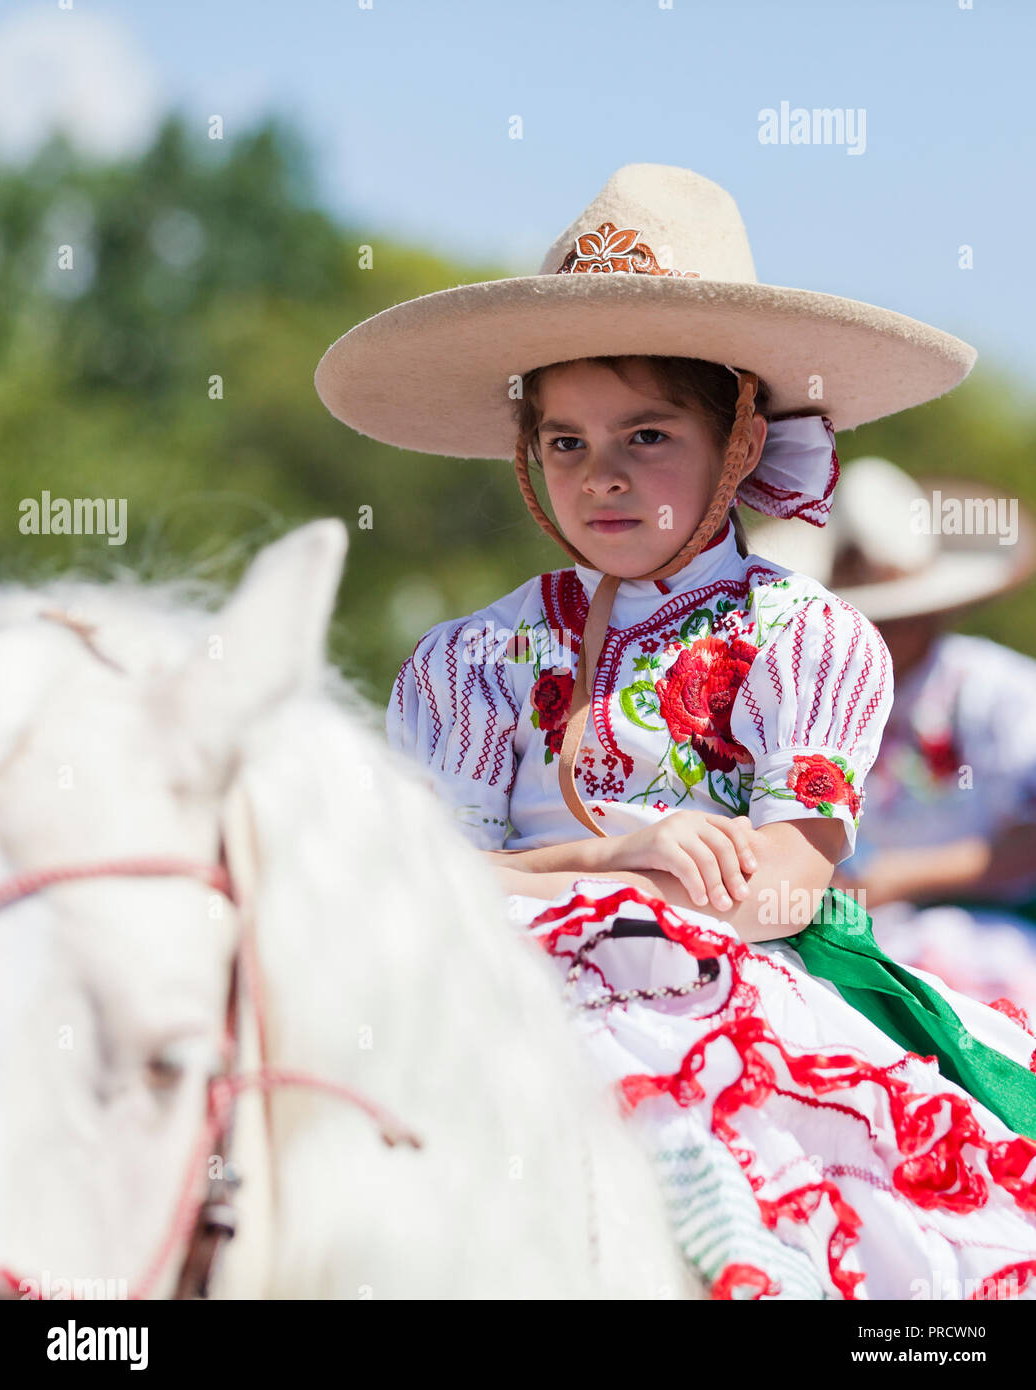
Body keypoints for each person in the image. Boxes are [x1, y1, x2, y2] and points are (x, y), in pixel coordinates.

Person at [314, 163, 1036, 1300]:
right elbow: (427, 882)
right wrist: (608, 858)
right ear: (526, 452)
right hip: (495, 993)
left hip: (716, 998)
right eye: (564, 442)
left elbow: (788, 890)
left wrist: (640, 893)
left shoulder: (800, 637)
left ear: (740, 441)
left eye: (645, 435)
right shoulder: (471, 657)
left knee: (859, 1238)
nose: (600, 476)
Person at [755, 456, 1036, 1024]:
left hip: (982, 935)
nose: (888, 633)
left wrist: (893, 878)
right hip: (834, 935)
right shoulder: (801, 701)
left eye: (901, 618)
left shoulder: (999, 691)